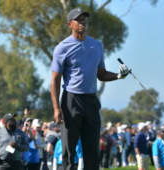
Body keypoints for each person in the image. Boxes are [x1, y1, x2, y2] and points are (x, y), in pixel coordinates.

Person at [50, 7, 131, 170]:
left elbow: (101, 74)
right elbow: (55, 79)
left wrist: (118, 76)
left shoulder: (97, 46)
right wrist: (56, 108)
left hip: (92, 101)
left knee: (92, 150)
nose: (83, 21)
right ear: (69, 24)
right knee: (68, 151)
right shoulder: (62, 48)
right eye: (78, 19)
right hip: (71, 100)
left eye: (84, 19)